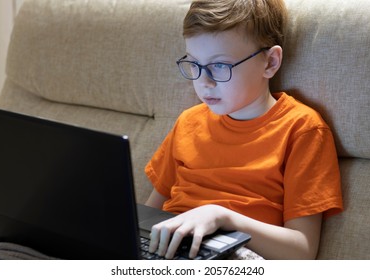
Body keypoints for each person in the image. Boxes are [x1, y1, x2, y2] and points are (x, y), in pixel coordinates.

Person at [144, 0, 343, 260]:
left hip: (238, 255)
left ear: (270, 62)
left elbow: (301, 251)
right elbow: (147, 217)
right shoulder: (188, 122)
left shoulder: (302, 129)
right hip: (169, 249)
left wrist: (222, 217)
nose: (204, 82)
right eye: (194, 64)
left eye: (219, 66)